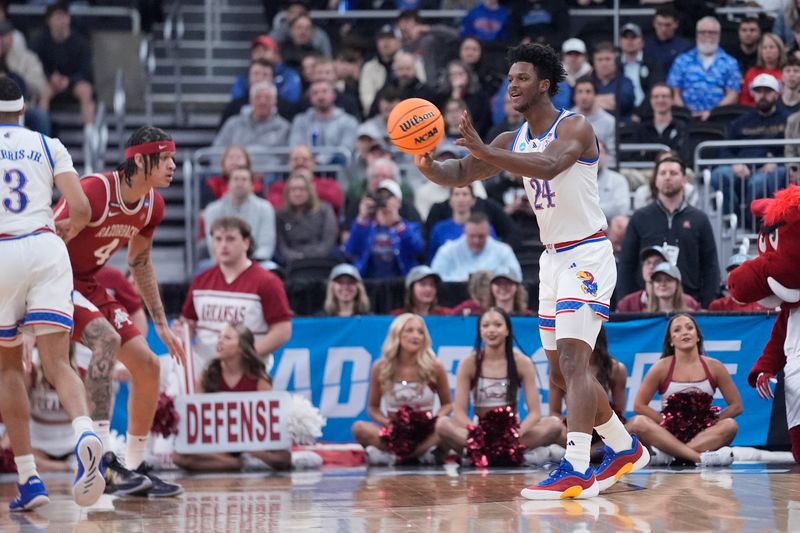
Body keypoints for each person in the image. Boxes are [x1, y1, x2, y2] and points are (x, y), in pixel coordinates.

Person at [414, 42, 646, 499]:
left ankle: (578, 463)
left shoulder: (575, 126)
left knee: (579, 361)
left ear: (543, 84)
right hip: (551, 258)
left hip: (588, 253)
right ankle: (624, 447)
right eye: (510, 78)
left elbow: (549, 164)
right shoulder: (509, 140)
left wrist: (487, 150)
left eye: (521, 78)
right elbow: (460, 172)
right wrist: (426, 164)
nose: (512, 85)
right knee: (561, 372)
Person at [54, 125, 186, 498]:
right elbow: (48, 236)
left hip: (89, 284)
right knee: (106, 341)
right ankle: (101, 464)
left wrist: (161, 324)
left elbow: (140, 262)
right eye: (165, 159)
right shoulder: (95, 189)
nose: (173, 165)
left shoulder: (151, 206)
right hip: (56, 281)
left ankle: (133, 465)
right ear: (140, 160)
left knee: (148, 365)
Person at [0, 76, 103, 510]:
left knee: (8, 368)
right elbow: (81, 209)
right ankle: (85, 430)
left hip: (3, 250)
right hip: (46, 247)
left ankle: (30, 481)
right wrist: (67, 229)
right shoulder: (47, 143)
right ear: (24, 110)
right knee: (58, 362)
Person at [435, 307, 563, 466]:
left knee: (554, 424)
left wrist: (515, 434)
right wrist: (475, 431)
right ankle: (514, 455)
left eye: (497, 325)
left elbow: (535, 413)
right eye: (485, 325)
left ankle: (483, 456)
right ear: (480, 331)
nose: (491, 330)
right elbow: (459, 411)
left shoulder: (522, 362)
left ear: (507, 330)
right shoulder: (469, 363)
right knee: (442, 424)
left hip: (513, 432)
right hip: (480, 431)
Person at [171, 324, 295, 472]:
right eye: (219, 337)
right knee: (178, 457)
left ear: (242, 347)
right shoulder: (208, 376)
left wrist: (252, 448)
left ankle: (240, 461)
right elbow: (198, 417)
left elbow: (269, 424)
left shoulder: (259, 380)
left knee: (283, 458)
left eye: (227, 338)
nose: (219, 341)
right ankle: (238, 464)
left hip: (252, 446)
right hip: (217, 446)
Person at [178, 217, 292, 372]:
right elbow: (188, 321)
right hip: (205, 369)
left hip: (247, 370)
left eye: (230, 239)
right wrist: (182, 331)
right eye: (218, 239)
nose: (223, 245)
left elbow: (282, 330)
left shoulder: (267, 282)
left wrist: (246, 355)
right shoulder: (201, 281)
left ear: (246, 243)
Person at [626, 314, 742, 467]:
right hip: (668, 432)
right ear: (671, 340)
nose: (685, 332)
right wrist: (667, 422)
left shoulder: (715, 366)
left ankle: (670, 456)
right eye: (677, 330)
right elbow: (639, 405)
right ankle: (699, 458)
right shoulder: (661, 367)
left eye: (689, 328)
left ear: (698, 336)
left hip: (703, 433)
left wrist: (710, 421)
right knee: (638, 422)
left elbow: (737, 406)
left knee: (730, 425)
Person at [619, 157, 720, 308]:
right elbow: (627, 265)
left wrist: (707, 305)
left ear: (685, 179)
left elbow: (710, 266)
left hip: (690, 303)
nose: (667, 177)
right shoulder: (640, 218)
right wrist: (626, 305)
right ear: (655, 180)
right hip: (647, 306)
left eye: (673, 173)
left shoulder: (700, 219)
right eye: (662, 173)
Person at [352, 314, 452, 465]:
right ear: (397, 334)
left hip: (425, 433)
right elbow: (373, 408)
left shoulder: (434, 366)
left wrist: (434, 421)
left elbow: (447, 404)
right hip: (394, 432)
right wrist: (387, 423)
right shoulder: (380, 367)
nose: (416, 336)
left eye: (420, 332)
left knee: (446, 427)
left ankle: (400, 457)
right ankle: (417, 456)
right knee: (359, 428)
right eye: (409, 330)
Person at [710, 73, 789, 217]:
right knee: (717, 176)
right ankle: (732, 221)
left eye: (767, 91)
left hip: (767, 169)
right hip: (741, 167)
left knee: (758, 183)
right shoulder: (742, 121)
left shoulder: (785, 120)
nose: (762, 95)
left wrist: (777, 162)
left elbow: (791, 150)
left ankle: (750, 227)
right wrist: (735, 163)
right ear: (753, 94)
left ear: (776, 94)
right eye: (758, 91)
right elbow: (726, 149)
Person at [549, 327, 627, 456]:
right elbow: (554, 412)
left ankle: (583, 455)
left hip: (604, 432)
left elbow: (619, 413)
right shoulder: (560, 368)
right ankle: (582, 453)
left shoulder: (616, 368)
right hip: (572, 430)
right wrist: (573, 427)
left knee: (638, 424)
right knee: (550, 424)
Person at [33, 2, 95, 129]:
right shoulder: (40, 42)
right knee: (43, 92)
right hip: (50, 83)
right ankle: (41, 134)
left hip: (74, 83)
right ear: (49, 20)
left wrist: (69, 80)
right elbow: (35, 66)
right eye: (58, 17)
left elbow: (86, 71)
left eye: (65, 16)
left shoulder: (81, 43)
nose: (62, 21)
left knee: (86, 90)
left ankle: (89, 136)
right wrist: (50, 77)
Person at [344, 179, 423, 279]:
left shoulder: (409, 227)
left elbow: (416, 250)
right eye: (380, 196)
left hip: (400, 282)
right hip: (369, 282)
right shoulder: (364, 227)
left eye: (388, 197)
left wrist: (397, 223)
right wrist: (362, 217)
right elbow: (351, 250)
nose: (384, 200)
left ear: (399, 203)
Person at [667, 17, 741, 121]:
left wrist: (712, 113)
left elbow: (733, 95)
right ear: (697, 35)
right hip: (686, 120)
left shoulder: (730, 63)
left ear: (719, 36)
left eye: (711, 32)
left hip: (718, 119)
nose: (707, 36)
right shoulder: (682, 61)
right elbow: (674, 92)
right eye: (702, 32)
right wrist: (686, 113)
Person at [203, 166, 276, 267]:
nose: (240, 183)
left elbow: (266, 246)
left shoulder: (266, 208)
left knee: (272, 268)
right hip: (223, 261)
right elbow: (213, 245)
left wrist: (247, 265)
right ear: (228, 184)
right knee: (203, 269)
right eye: (236, 179)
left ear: (252, 185)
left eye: (244, 179)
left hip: (257, 262)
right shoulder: (212, 210)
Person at [213, 81, 290, 166]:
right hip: (234, 175)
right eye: (258, 97)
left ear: (275, 101)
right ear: (250, 100)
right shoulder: (233, 124)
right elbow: (216, 152)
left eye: (267, 98)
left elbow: (286, 160)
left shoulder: (284, 127)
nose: (262, 102)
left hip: (271, 176)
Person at [431, 212, 520, 282]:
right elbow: (436, 279)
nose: (476, 240)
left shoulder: (503, 251)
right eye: (472, 236)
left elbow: (517, 276)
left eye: (481, 236)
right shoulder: (447, 251)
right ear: (465, 232)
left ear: (488, 232)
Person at [275, 170, 338, 266]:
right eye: (293, 190)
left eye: (301, 189)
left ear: (309, 191)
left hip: (322, 261)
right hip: (292, 263)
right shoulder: (280, 216)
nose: (297, 193)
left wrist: (312, 257)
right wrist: (298, 258)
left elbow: (328, 241)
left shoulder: (325, 210)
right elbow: (281, 246)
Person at [616, 245, 700, 312]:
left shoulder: (689, 303)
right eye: (647, 262)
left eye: (657, 262)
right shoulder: (627, 303)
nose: (651, 266)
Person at [740, 33, 787, 107]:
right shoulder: (751, 73)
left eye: (771, 47)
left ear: (779, 50)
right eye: (764, 48)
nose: (768, 51)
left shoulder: (786, 72)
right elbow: (744, 99)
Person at [643, 7, 692, 73]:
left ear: (676, 24)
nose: (663, 29)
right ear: (654, 24)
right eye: (659, 24)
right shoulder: (645, 45)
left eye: (667, 25)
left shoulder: (685, 47)